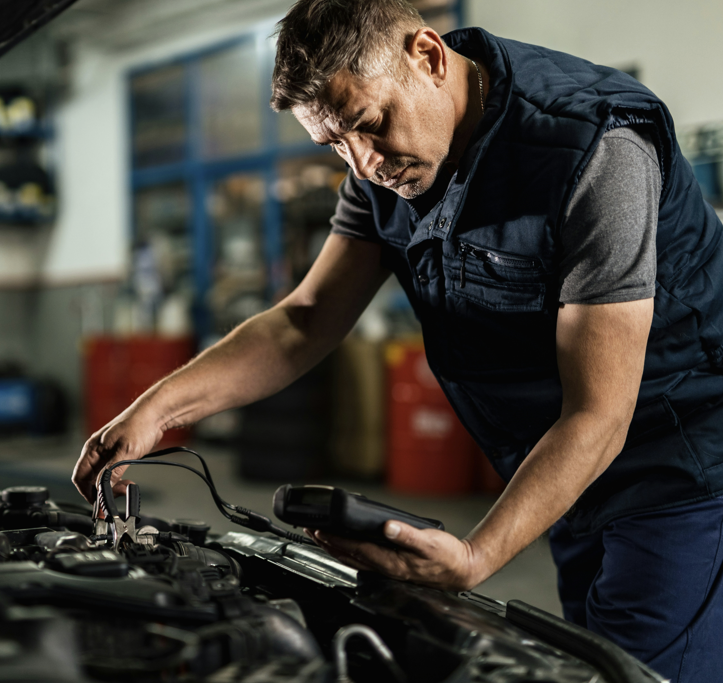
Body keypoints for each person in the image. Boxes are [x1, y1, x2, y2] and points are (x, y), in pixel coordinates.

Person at [72, 1, 723, 679]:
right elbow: (306, 319)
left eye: (370, 124)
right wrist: (159, 410)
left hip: (681, 463)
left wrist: (474, 557)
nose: (362, 163)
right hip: (566, 470)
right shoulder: (381, 169)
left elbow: (600, 412)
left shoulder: (595, 148)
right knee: (593, 663)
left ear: (429, 57)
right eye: (333, 144)